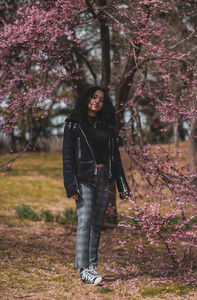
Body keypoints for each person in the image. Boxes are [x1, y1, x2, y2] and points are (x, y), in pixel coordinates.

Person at [62, 86, 130, 285]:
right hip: (84, 179)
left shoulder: (107, 126)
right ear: (87, 98)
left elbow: (115, 158)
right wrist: (71, 185)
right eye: (94, 97)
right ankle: (83, 270)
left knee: (96, 225)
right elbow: (67, 157)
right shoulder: (73, 124)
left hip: (105, 178)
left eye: (101, 99)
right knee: (85, 222)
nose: (97, 101)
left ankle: (92, 266)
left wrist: (122, 184)